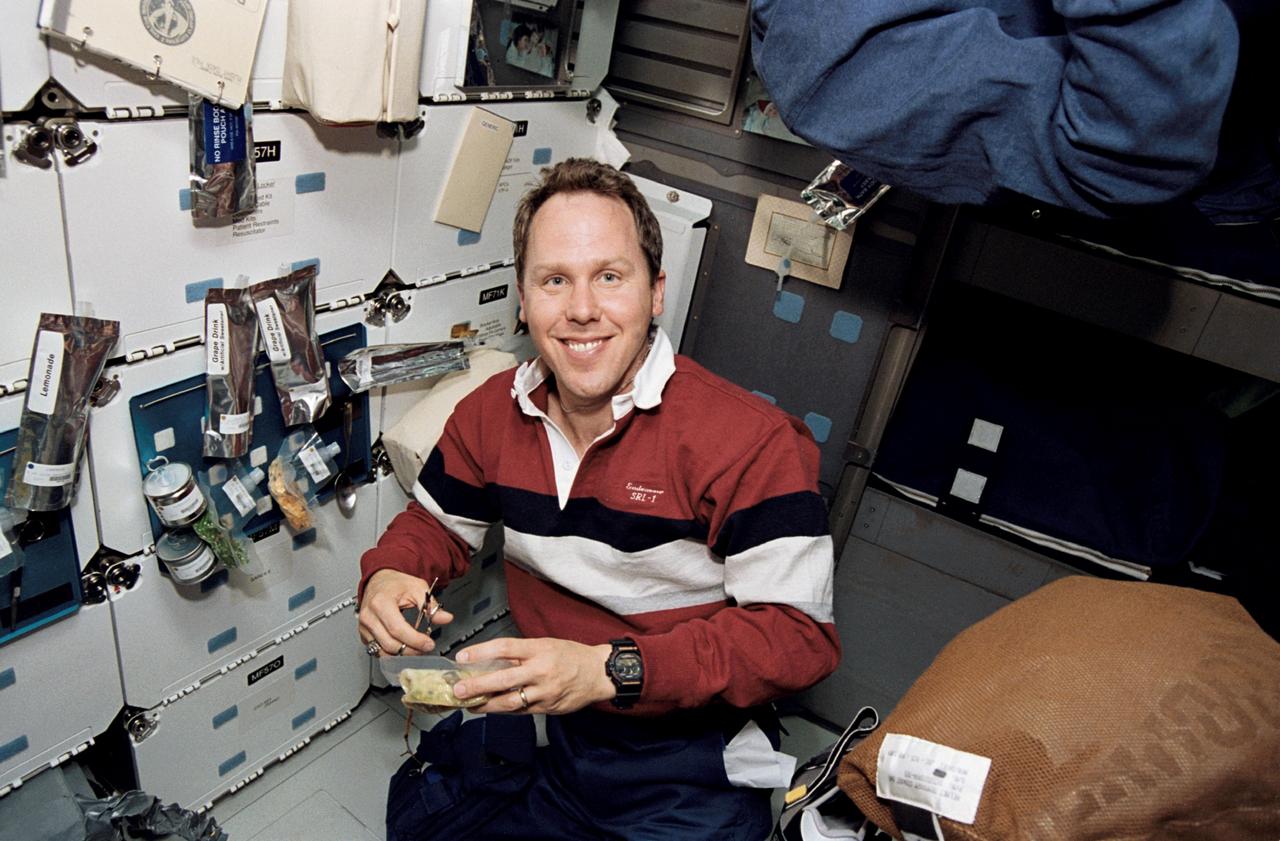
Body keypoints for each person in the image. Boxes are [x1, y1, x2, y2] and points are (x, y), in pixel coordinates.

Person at [358, 158, 840, 840]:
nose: (582, 308)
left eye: (610, 277)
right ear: (523, 300)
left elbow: (799, 639)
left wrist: (607, 668)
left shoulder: (748, 441)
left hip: (689, 757)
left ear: (655, 292)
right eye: (555, 280)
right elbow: (434, 523)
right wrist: (390, 572)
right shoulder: (490, 414)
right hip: (561, 733)